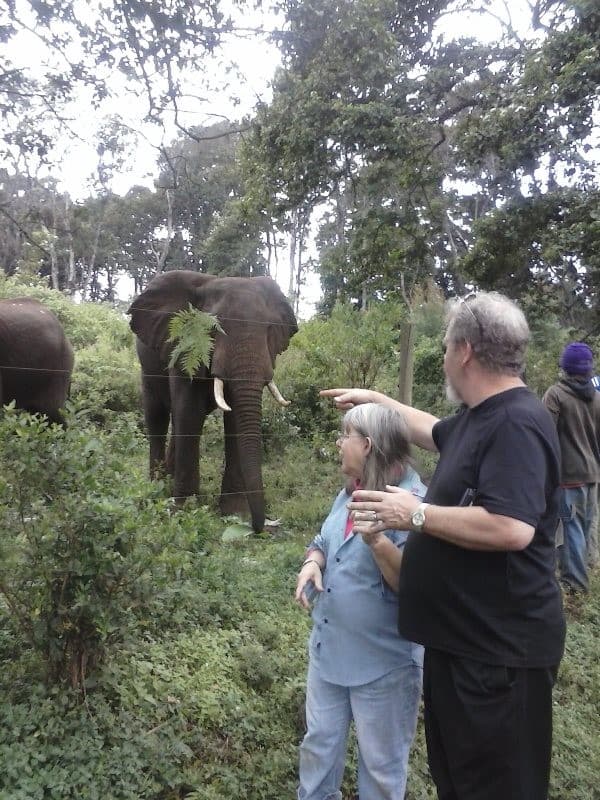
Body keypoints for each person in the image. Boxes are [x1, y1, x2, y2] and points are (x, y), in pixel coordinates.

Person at [321, 291, 565, 800]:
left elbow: (512, 526)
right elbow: (431, 430)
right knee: (460, 781)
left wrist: (413, 514)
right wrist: (375, 400)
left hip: (499, 659)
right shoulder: (482, 415)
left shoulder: (516, 422)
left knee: (496, 787)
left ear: (465, 351)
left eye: (447, 344)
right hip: (463, 645)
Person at [295, 402, 426, 800]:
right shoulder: (351, 490)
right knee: (318, 750)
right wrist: (312, 562)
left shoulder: (415, 505)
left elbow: (415, 587)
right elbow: (323, 539)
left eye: (345, 436)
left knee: (381, 768)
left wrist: (377, 541)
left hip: (383, 667)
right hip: (329, 654)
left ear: (367, 445)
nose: (338, 443)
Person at [542, 342, 600, 593]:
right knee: (584, 527)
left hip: (568, 478)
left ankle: (574, 584)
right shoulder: (597, 398)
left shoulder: (556, 395)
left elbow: (543, 434)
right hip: (591, 476)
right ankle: (584, 571)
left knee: (570, 528)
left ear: (564, 367)